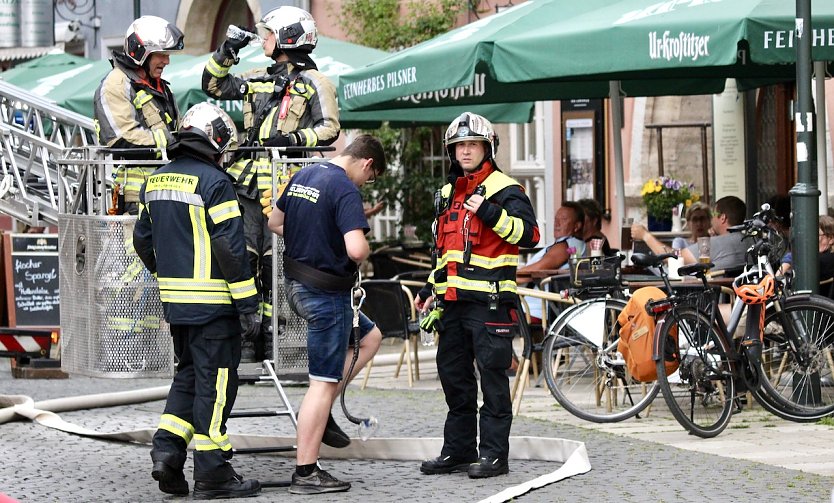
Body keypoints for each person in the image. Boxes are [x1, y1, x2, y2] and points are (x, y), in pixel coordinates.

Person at [132, 103, 261, 499]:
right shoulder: (215, 181)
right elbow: (229, 247)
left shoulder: (154, 181)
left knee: (187, 377)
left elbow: (142, 240)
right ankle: (213, 472)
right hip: (215, 306)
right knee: (217, 385)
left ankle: (167, 453)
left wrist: (168, 274)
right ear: (216, 140)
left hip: (176, 305)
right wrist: (248, 304)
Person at [203, 6, 340, 363]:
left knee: (276, 266)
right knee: (242, 263)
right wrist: (226, 51)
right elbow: (213, 85)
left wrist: (292, 140)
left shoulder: (316, 82)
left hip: (287, 189)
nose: (263, 39)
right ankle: (247, 342)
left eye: (268, 34)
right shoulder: (257, 77)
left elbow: (329, 129)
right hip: (246, 186)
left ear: (287, 39)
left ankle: (274, 341)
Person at [415, 112, 540, 479]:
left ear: (487, 148)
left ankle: (494, 457)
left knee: (493, 381)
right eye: (459, 146)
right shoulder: (447, 193)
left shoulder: (507, 190)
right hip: (452, 304)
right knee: (455, 380)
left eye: (472, 144)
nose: (465, 151)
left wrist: (489, 212)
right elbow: (444, 250)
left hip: (490, 305)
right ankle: (458, 451)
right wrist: (428, 288)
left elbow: (530, 237)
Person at [267, 134, 386, 495]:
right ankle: (306, 472)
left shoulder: (305, 174)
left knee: (370, 337)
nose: (367, 183)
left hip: (297, 288)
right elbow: (356, 250)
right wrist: (357, 238)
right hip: (326, 295)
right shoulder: (345, 189)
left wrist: (314, 237)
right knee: (320, 383)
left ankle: (321, 413)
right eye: (372, 177)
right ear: (367, 164)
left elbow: (275, 222)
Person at [94, 15, 184, 215]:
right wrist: (176, 142)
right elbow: (121, 139)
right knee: (137, 247)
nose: (166, 61)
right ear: (140, 51)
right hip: (136, 199)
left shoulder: (158, 85)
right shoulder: (116, 84)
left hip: (166, 190)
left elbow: (173, 128)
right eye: (161, 54)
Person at [632, 196, 747, 272]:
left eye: (713, 214)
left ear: (723, 218)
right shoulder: (751, 241)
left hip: (711, 302)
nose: (711, 219)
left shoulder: (712, 244)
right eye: (695, 220)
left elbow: (674, 257)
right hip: (741, 302)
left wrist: (645, 235)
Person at [517, 201, 586, 322]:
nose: (557, 223)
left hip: (535, 309)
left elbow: (533, 271)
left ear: (577, 226)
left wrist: (504, 276)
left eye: (563, 219)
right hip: (533, 305)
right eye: (556, 219)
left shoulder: (566, 246)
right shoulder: (566, 244)